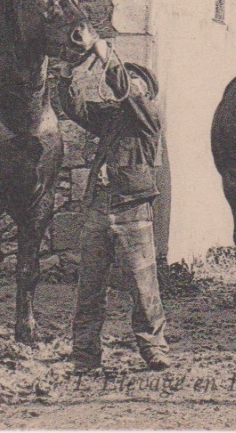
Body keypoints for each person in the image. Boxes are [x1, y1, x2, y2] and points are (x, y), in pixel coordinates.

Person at [57, 50, 170, 372]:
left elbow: (125, 87)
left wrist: (105, 56)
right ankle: (84, 355)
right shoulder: (110, 119)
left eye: (135, 82)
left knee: (143, 286)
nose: (125, 86)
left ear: (145, 92)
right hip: (98, 207)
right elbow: (76, 108)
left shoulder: (149, 120)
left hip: (132, 209)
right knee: (90, 287)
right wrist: (67, 75)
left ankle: (154, 349)